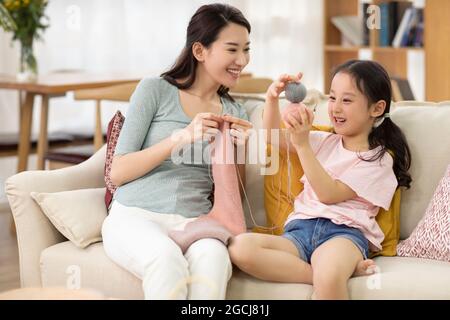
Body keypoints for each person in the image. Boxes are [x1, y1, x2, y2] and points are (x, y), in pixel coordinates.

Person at [101, 3, 253, 300]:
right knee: (166, 259)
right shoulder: (155, 90)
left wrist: (239, 151)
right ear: (200, 51)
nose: (243, 60)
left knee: (214, 260)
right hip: (136, 216)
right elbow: (118, 172)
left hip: (196, 223)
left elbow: (233, 194)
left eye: (247, 50)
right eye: (232, 49)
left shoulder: (235, 110)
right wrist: (181, 137)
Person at [228, 60, 412, 300]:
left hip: (342, 235)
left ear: (376, 109)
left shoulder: (377, 160)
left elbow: (329, 193)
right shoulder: (325, 141)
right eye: (333, 98)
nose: (335, 108)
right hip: (299, 231)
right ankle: (333, 272)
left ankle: (332, 272)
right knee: (239, 248)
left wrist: (302, 144)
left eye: (346, 100)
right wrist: (273, 98)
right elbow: (273, 138)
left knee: (327, 277)